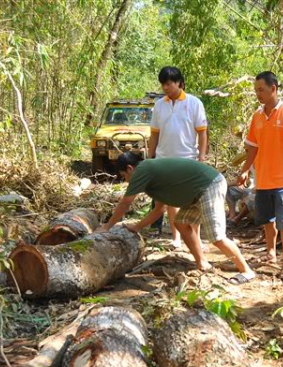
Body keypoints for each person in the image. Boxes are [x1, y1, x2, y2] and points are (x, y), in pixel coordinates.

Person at [97, 152, 255, 285]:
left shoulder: (142, 170)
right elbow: (159, 209)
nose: (126, 180)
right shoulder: (151, 176)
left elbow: (126, 202)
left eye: (124, 176)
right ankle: (201, 262)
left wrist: (107, 227)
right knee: (180, 222)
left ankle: (246, 271)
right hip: (197, 192)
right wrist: (137, 227)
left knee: (216, 236)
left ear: (130, 168)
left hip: (209, 185)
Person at [237, 71, 283, 282]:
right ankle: (270, 252)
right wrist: (244, 169)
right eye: (256, 91)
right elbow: (252, 148)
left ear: (273, 89)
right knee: (267, 220)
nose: (258, 94)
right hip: (263, 179)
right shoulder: (257, 117)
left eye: (261, 90)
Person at [146, 66, 209, 248]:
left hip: (188, 158)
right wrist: (150, 157)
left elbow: (202, 133)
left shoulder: (194, 103)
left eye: (169, 84)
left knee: (191, 201)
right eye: (163, 84)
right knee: (169, 200)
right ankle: (176, 238)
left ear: (179, 83)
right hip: (163, 159)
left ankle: (195, 238)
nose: (165, 88)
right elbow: (155, 134)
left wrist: (202, 156)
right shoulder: (159, 105)